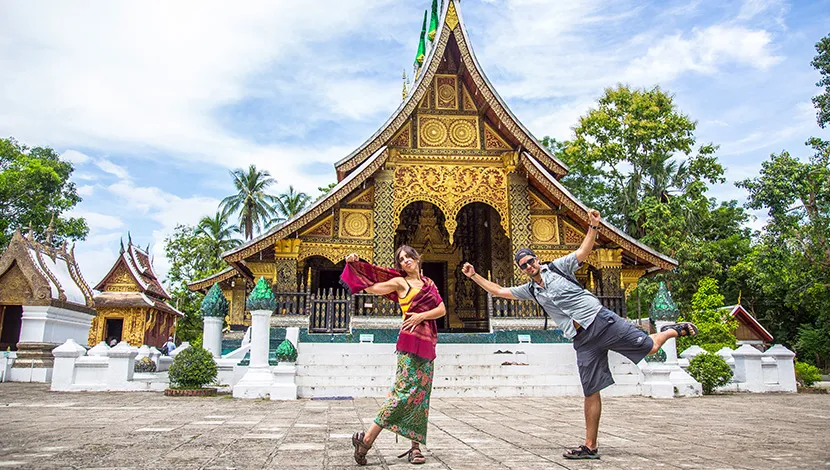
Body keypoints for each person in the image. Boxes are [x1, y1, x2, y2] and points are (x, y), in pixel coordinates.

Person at [462, 208, 698, 460]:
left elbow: (584, 252)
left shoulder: (559, 267)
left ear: (536, 259)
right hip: (582, 339)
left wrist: (594, 226)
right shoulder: (532, 290)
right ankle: (590, 445)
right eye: (524, 266)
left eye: (531, 261)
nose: (529, 266)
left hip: (601, 321)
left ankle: (670, 330)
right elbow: (499, 291)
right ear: (522, 270)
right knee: (590, 390)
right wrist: (474, 275)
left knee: (651, 348)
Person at [341, 246, 446, 466]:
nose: (406, 261)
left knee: (420, 397)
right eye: (401, 259)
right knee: (402, 393)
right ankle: (366, 439)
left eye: (409, 257)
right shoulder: (401, 283)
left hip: (427, 344)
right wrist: (354, 264)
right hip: (409, 344)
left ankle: (415, 448)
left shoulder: (429, 284)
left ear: (418, 259)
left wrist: (420, 317)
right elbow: (372, 288)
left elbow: (441, 309)